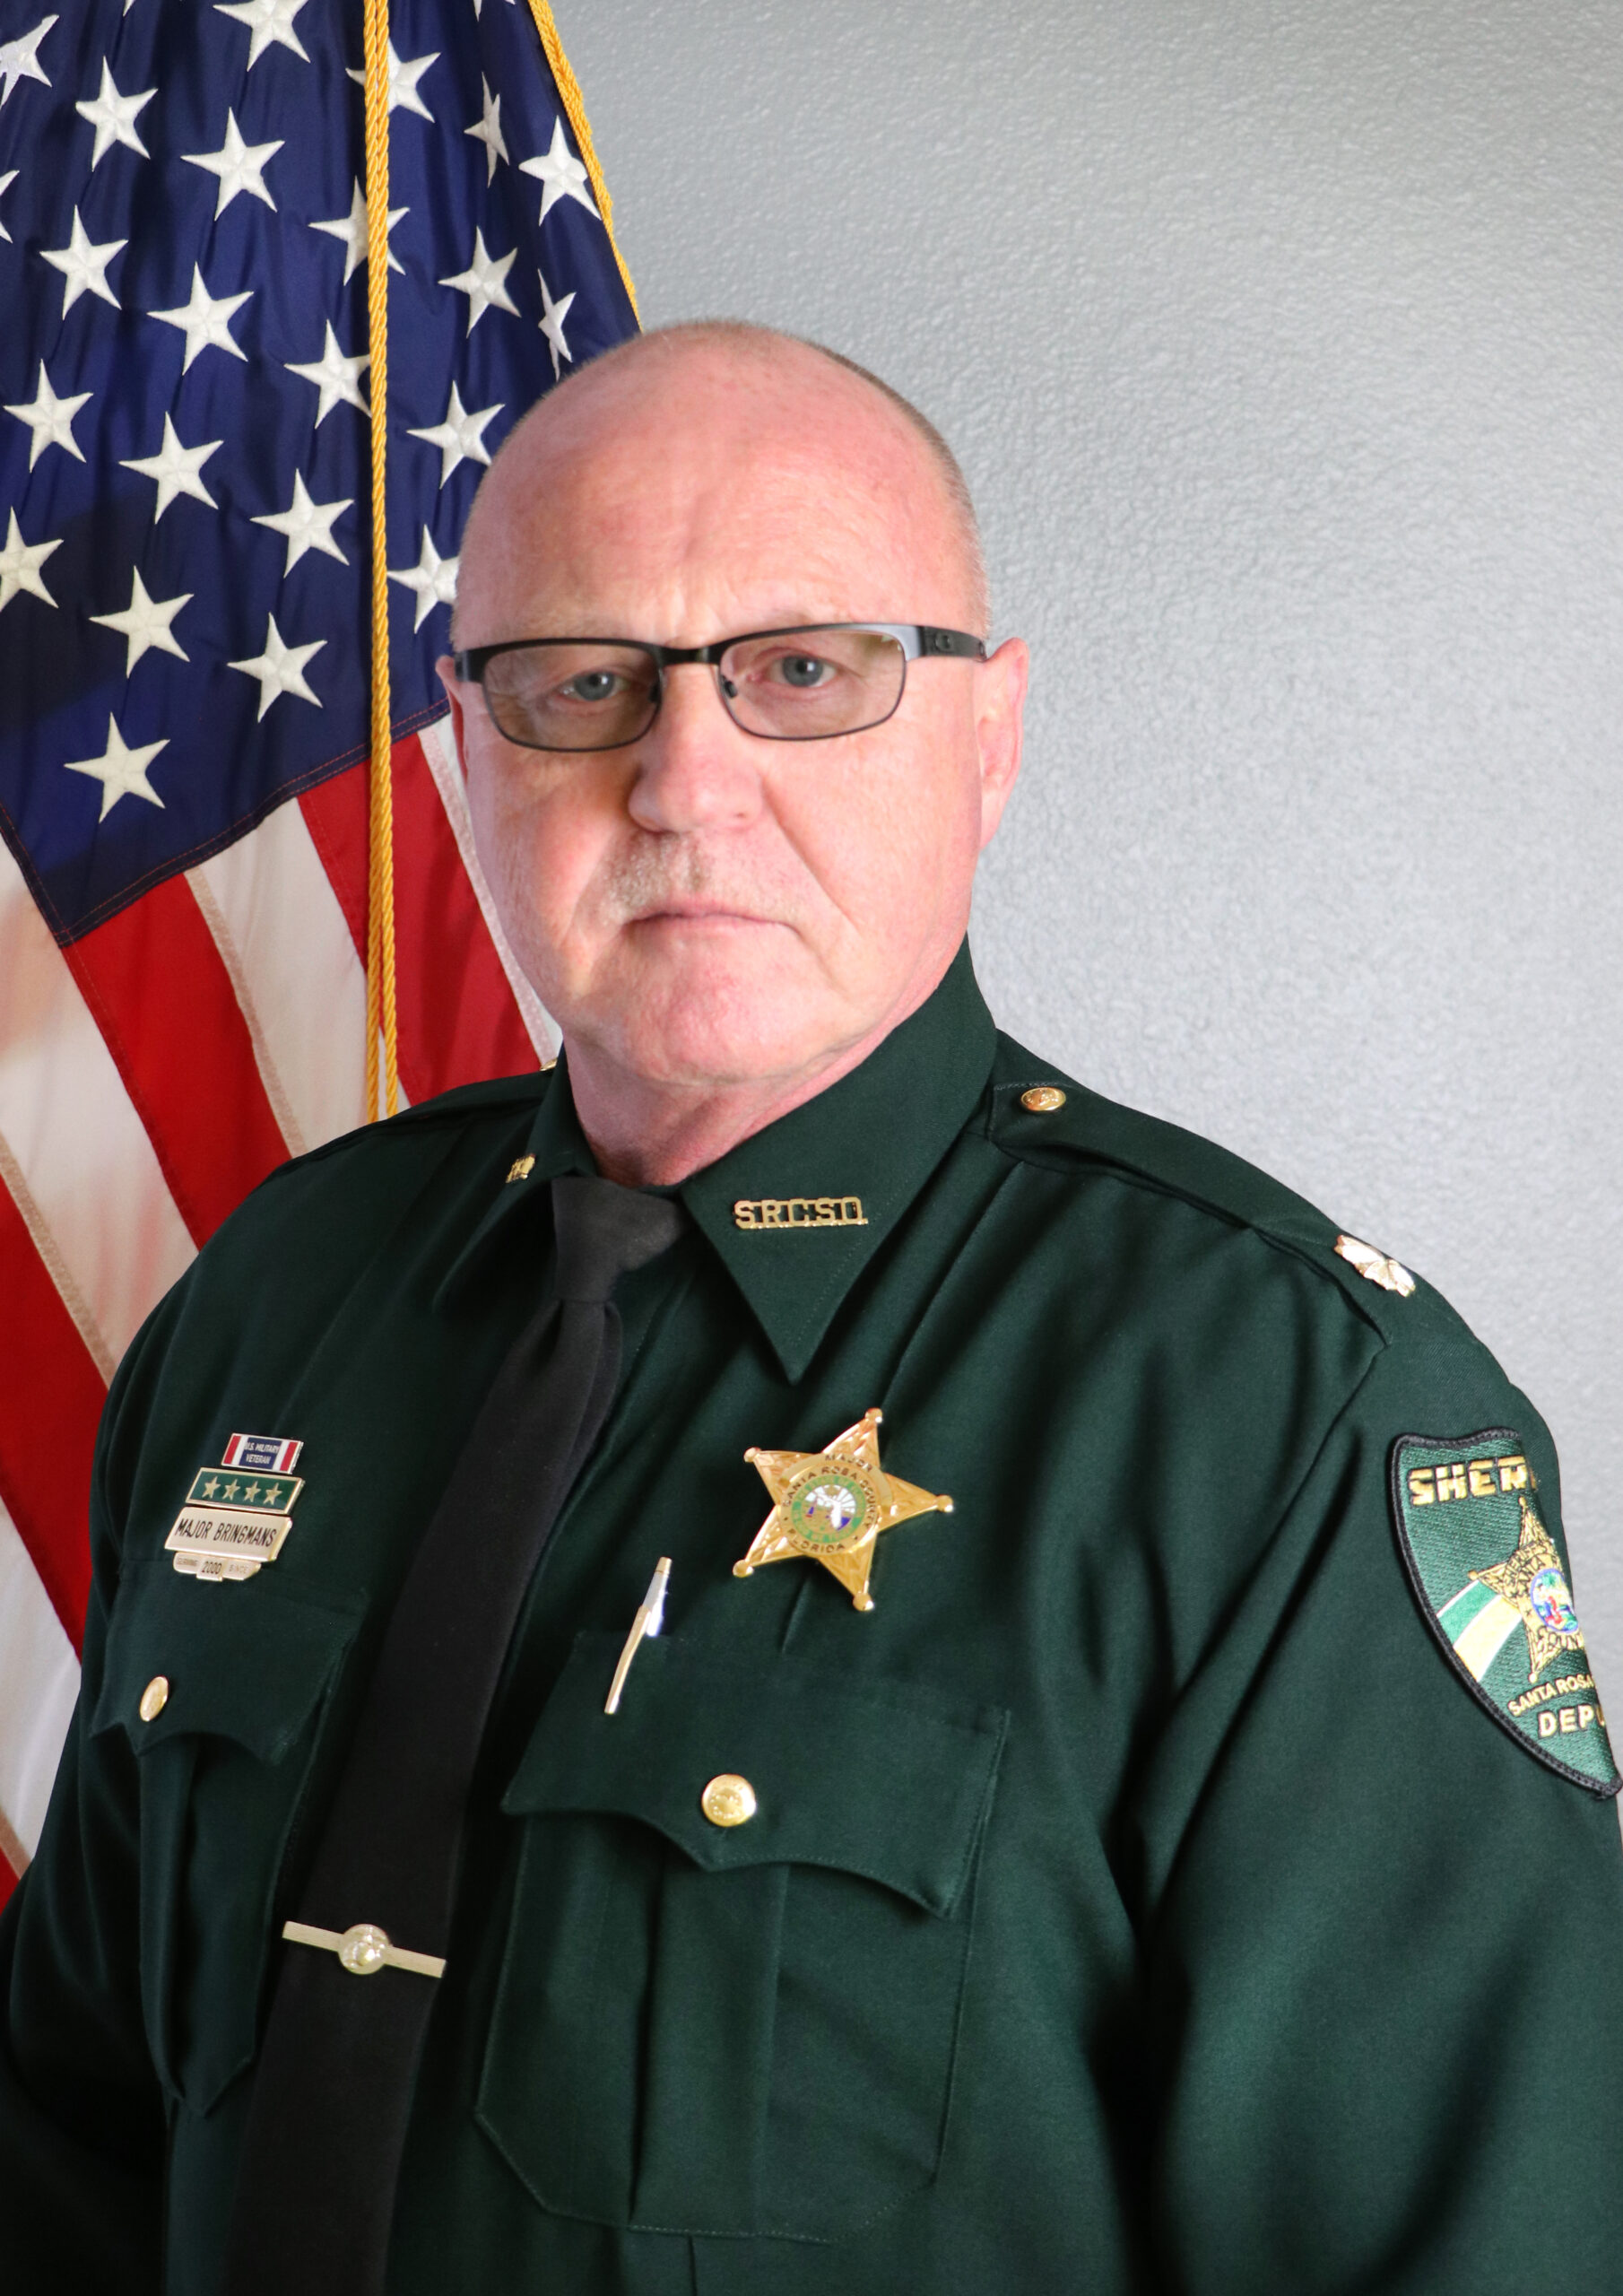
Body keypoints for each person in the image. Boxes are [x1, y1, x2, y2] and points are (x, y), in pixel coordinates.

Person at [3, 321, 1620, 2294]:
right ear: (467, 746)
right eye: (582, 681)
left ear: (989, 732)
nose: (684, 780)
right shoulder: (279, 1298)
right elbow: (70, 2142)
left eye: (800, 671)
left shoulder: (1270, 1417)